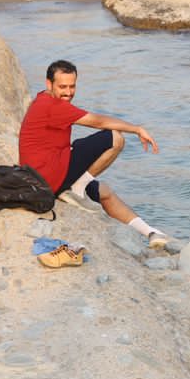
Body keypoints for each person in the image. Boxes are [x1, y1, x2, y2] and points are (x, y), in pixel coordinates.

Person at [17, 59, 168, 248]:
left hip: (49, 172)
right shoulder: (51, 105)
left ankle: (150, 232)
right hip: (47, 176)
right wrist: (137, 129)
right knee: (115, 137)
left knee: (104, 192)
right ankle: (77, 187)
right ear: (49, 84)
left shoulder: (44, 98)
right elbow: (98, 122)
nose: (68, 92)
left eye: (72, 86)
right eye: (62, 87)